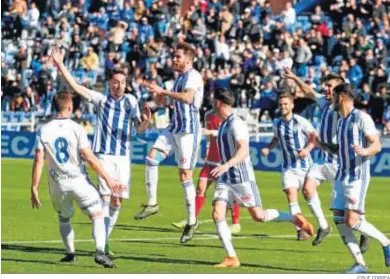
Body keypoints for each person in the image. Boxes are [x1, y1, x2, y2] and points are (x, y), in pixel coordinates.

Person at [51, 46, 152, 256]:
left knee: (117, 201)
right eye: (116, 82)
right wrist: (60, 65)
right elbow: (76, 87)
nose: (119, 85)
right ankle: (102, 244)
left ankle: (104, 237)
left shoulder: (131, 101)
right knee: (105, 199)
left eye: (123, 82)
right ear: (109, 83)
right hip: (104, 155)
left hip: (123, 157)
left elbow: (138, 130)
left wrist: (146, 123)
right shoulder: (101, 100)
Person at [210, 88, 314, 268]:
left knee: (258, 216)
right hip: (226, 179)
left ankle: (294, 219)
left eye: (213, 100)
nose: (211, 103)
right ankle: (231, 257)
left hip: (242, 177)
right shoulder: (223, 124)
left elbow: (243, 150)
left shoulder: (237, 123)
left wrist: (226, 165)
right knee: (217, 213)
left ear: (218, 102)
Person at [283, 68, 369, 249]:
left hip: (340, 163)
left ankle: (364, 232)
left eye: (330, 86)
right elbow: (308, 91)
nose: (326, 89)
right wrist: (294, 78)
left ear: (339, 91)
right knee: (307, 189)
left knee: (349, 205)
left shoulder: (343, 109)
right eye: (325, 85)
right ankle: (323, 226)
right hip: (322, 160)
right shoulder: (323, 102)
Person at [30, 91, 118, 268]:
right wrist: (107, 177)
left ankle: (70, 253)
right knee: (97, 214)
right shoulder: (76, 128)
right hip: (78, 180)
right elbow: (89, 157)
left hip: (57, 184)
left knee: (64, 218)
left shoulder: (44, 129)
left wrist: (34, 187)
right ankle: (100, 251)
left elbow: (39, 159)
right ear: (70, 107)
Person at [309, 83, 390, 273]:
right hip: (341, 175)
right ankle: (360, 264)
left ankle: (386, 242)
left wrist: (365, 151)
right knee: (339, 219)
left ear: (342, 97)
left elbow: (376, 145)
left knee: (352, 221)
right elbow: (339, 149)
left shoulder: (362, 118)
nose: (332, 100)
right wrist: (319, 144)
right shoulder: (341, 121)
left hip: (357, 177)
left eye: (334, 96)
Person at [135, 42, 204, 244]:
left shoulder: (193, 76)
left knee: (185, 175)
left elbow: (188, 98)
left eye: (178, 57)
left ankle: (192, 221)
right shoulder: (179, 78)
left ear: (188, 60)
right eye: (174, 56)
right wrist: (156, 103)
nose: (174, 59)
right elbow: (174, 102)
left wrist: (164, 92)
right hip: (174, 127)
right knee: (151, 158)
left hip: (188, 131)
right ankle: (152, 203)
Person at [171, 109, 242, 234]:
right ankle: (191, 220)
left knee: (231, 193)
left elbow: (229, 134)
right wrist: (208, 147)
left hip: (224, 161)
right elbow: (209, 137)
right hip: (210, 161)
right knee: (200, 189)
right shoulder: (208, 115)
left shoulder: (230, 115)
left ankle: (236, 223)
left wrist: (210, 132)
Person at [261, 93, 316, 241]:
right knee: (291, 197)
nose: (283, 106)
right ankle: (300, 229)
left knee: (310, 197)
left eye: (286, 104)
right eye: (281, 104)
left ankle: (322, 225)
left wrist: (307, 150)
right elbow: (275, 139)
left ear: (292, 105)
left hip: (306, 167)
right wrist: (269, 148)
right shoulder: (277, 123)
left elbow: (314, 137)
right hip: (288, 167)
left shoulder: (300, 121)